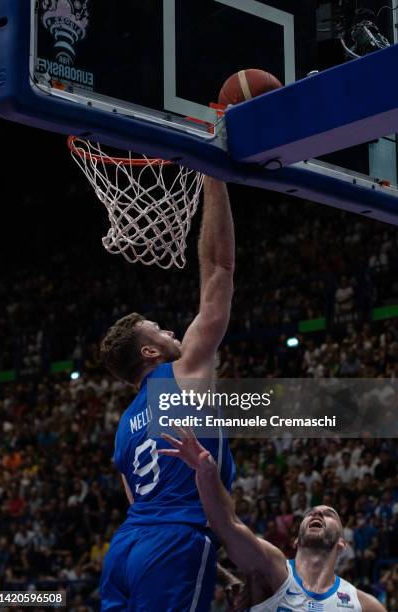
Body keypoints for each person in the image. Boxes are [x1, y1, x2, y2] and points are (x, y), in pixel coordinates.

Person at [99, 177, 236, 611]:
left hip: (123, 551)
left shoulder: (123, 430)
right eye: (160, 329)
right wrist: (213, 175)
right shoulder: (183, 372)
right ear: (150, 351)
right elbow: (219, 269)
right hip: (174, 544)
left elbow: (143, 505)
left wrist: (220, 570)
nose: (171, 330)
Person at [159, 427, 386, 612]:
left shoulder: (365, 606)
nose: (317, 513)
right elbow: (227, 525)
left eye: (329, 514)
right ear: (296, 541)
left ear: (342, 544)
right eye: (311, 514)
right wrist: (205, 471)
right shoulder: (272, 569)